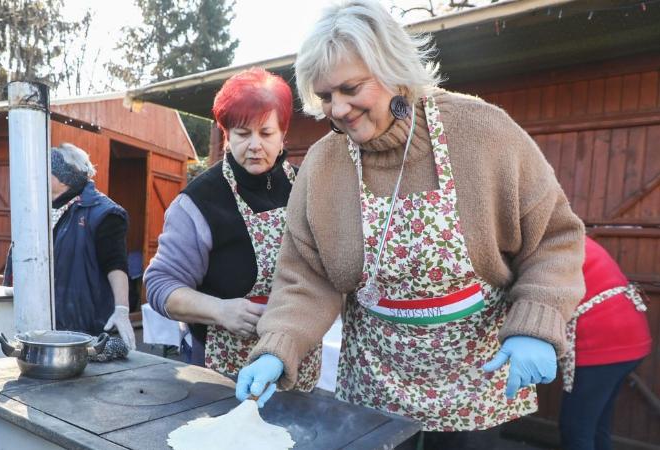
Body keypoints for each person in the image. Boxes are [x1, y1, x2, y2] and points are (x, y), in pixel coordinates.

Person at [234, 0, 586, 446]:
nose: (337, 109)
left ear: (392, 66)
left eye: (350, 88)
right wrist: (278, 344)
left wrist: (537, 321)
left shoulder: (482, 131)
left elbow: (554, 238)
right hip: (374, 383)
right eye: (325, 96)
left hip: (474, 381)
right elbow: (306, 277)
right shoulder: (323, 165)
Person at [144, 68, 322, 389]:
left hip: (296, 356)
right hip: (222, 364)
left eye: (266, 133)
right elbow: (159, 285)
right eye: (242, 133)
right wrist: (220, 310)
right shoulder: (200, 201)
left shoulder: (308, 188)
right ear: (226, 135)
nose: (255, 145)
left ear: (283, 134)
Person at [5, 143, 136, 350]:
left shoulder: (104, 213)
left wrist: (121, 308)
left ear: (64, 177)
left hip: (84, 329)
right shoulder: (37, 209)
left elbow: (116, 263)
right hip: (40, 322)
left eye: (46, 169)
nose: (37, 174)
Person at [559, 237, 651, 450]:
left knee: (575, 429)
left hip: (604, 338)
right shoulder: (572, 234)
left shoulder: (555, 240)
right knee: (596, 423)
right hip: (629, 333)